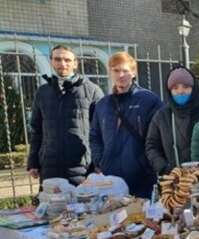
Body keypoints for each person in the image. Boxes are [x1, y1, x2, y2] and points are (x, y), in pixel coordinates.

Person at [27, 45, 103, 186]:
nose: (62, 64)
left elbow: (100, 131)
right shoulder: (42, 92)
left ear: (75, 63)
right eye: (58, 59)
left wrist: (100, 162)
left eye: (67, 60)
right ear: (51, 62)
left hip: (83, 169)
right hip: (50, 168)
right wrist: (33, 162)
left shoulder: (92, 90)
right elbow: (36, 129)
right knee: (53, 207)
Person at [89, 52, 163, 198]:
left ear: (133, 73)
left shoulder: (149, 100)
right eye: (116, 70)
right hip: (111, 183)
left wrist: (147, 163)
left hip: (142, 181)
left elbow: (159, 136)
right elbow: (94, 137)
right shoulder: (103, 105)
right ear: (110, 72)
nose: (121, 75)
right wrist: (101, 161)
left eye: (125, 71)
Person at [145, 66, 199, 175]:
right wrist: (164, 168)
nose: (181, 91)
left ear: (193, 88)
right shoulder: (161, 116)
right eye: (175, 88)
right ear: (169, 91)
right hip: (174, 182)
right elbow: (151, 147)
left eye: (186, 86)